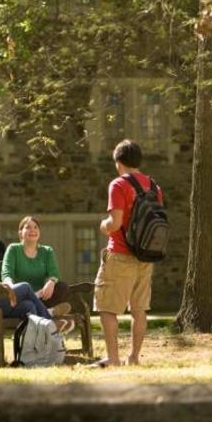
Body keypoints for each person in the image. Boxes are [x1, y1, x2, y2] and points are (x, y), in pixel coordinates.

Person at [92, 139, 161, 368]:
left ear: (118, 162)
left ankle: (113, 359)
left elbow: (115, 223)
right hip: (146, 255)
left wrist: (103, 225)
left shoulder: (119, 184)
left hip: (121, 254)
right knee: (139, 309)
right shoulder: (153, 186)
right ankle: (133, 357)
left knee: (106, 307)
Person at [1, 216, 71, 317]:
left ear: (39, 232)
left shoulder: (47, 251)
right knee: (28, 304)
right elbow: (7, 274)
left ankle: (45, 313)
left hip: (41, 296)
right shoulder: (13, 249)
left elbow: (54, 273)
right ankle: (49, 313)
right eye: (28, 227)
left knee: (62, 287)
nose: (32, 230)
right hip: (20, 298)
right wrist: (11, 288)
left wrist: (51, 282)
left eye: (35, 227)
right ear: (20, 233)